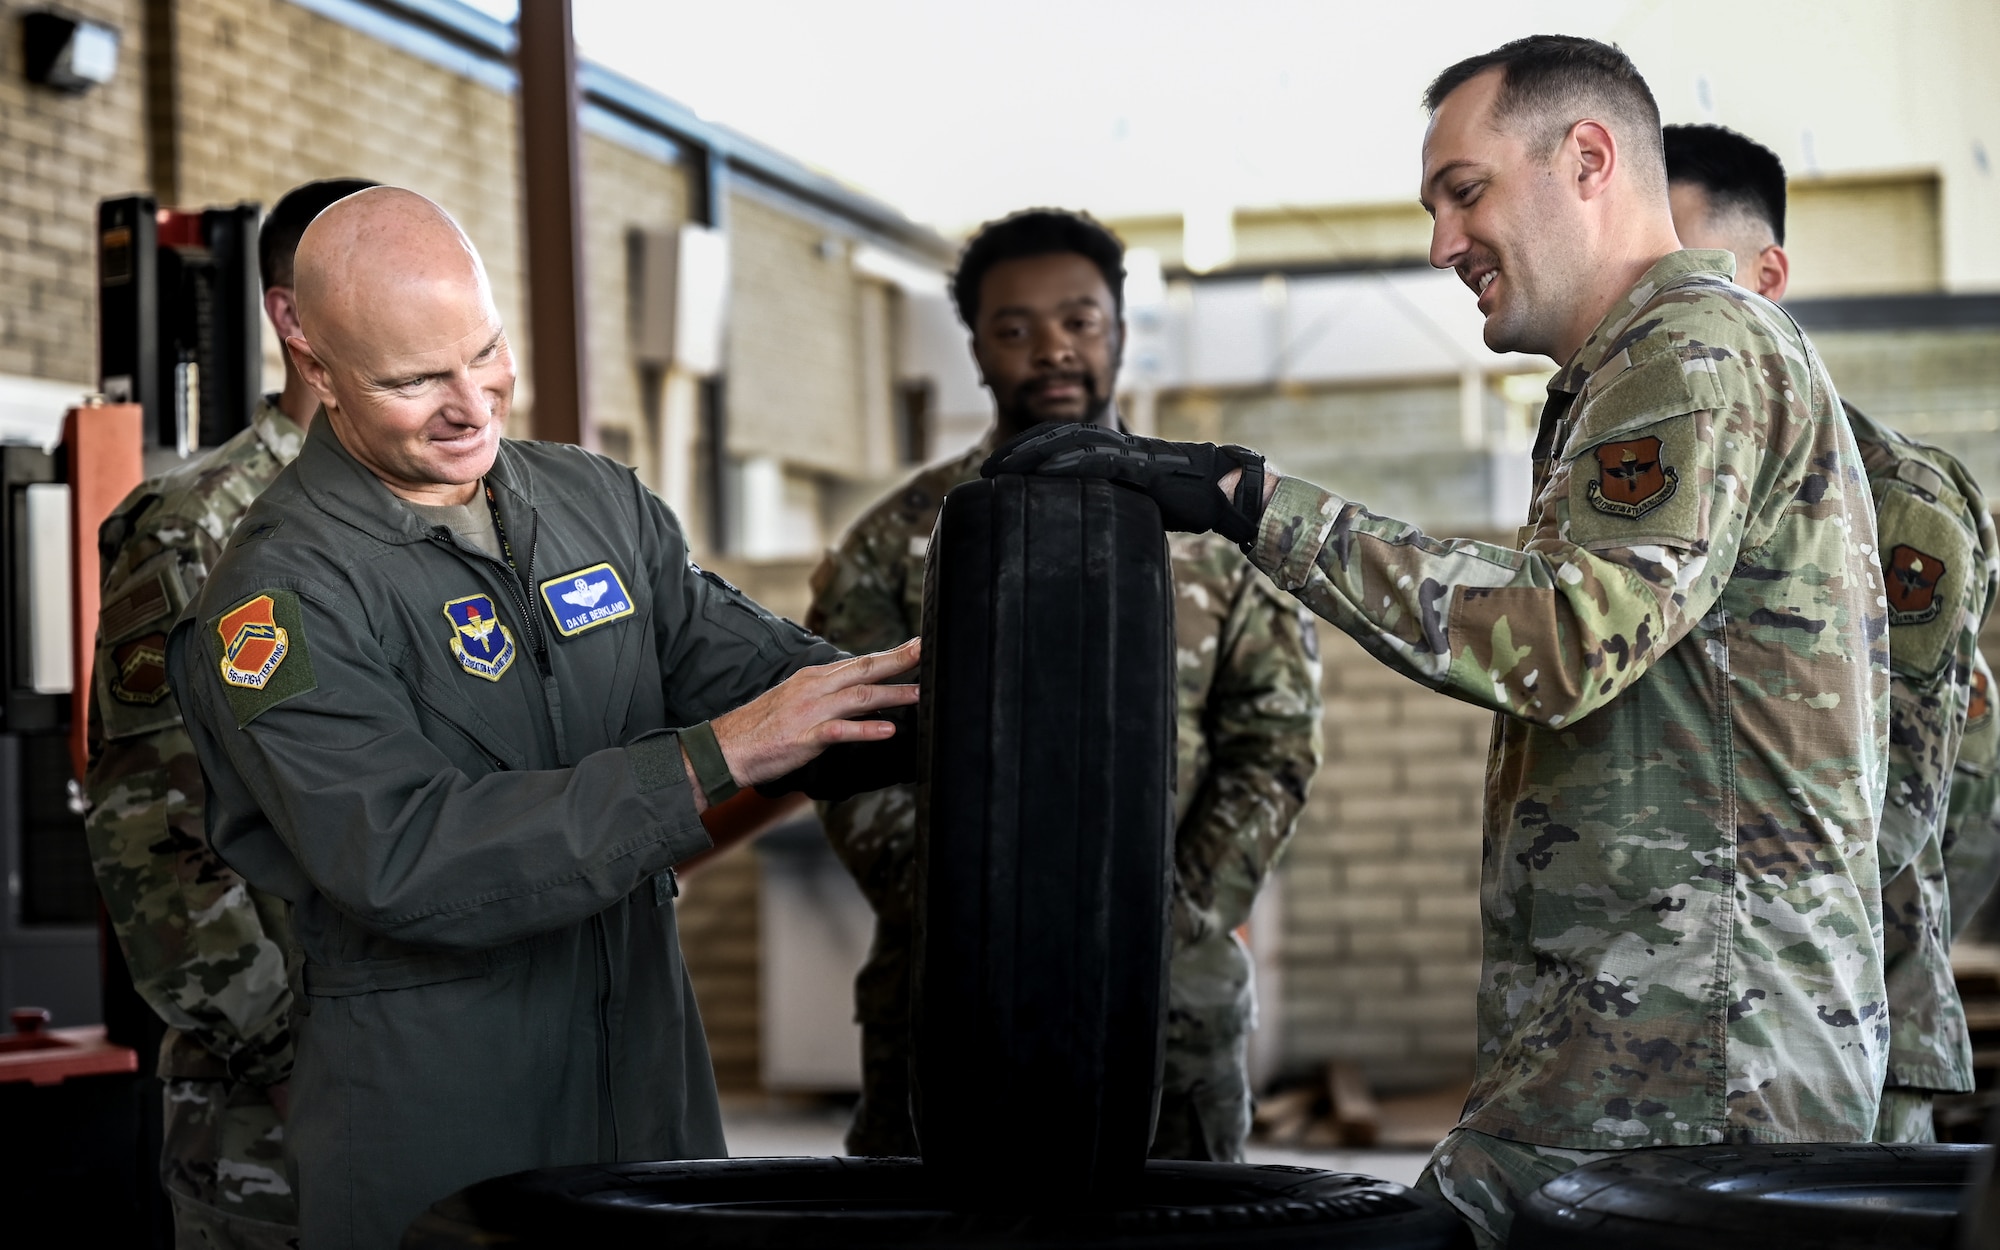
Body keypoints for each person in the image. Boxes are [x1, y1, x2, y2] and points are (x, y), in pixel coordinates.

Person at [984, 35, 1889, 1247]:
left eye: (1464, 192)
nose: (1440, 244)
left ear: (1585, 159)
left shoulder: (1690, 351)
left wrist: (1249, 501)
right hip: (1627, 1038)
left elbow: (1563, 634)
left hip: (1695, 1056)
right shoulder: (1631, 368)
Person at [162, 187, 920, 1250]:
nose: (471, 403)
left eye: (484, 351)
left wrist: (961, 693)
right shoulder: (281, 598)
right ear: (317, 367)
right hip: (440, 1106)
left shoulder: (592, 506)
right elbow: (406, 854)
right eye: (416, 378)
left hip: (644, 1083)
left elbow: (768, 676)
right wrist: (716, 756)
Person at [807, 209, 1324, 1162]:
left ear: (1121, 329)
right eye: (1015, 328)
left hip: (1168, 1005)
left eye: (1080, 320)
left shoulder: (1208, 528)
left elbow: (1274, 741)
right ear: (975, 348)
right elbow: (846, 745)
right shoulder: (897, 542)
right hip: (947, 994)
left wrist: (1171, 906)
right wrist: (971, 904)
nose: (1052, 348)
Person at [1664, 122, 2000, 1143]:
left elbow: (1910, 811)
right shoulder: (1635, 480)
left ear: (1766, 276)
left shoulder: (1889, 499)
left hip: (1839, 1031)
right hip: (1662, 1028)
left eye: (1690, 273)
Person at [86, 176, 376, 1250]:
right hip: (275, 1117)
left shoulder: (458, 521)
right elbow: (154, 833)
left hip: (448, 1072)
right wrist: (290, 1053)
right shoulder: (196, 528)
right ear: (295, 319)